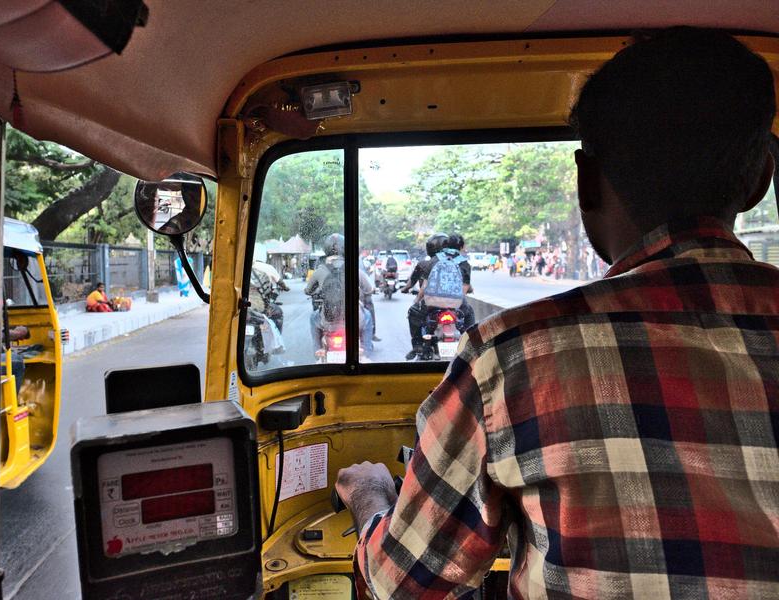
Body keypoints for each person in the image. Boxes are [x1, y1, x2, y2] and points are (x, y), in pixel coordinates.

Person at [336, 28, 779, 598]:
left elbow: (398, 585)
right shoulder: (483, 318)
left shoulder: (508, 357)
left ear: (585, 181)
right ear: (760, 180)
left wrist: (372, 494)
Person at [305, 233, 374, 355]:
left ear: (326, 249)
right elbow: (369, 289)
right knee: (367, 316)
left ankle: (318, 350)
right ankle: (365, 350)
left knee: (312, 318)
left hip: (327, 322)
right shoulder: (354, 269)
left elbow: (308, 291)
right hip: (355, 320)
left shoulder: (320, 270)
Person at [402, 232, 447, 359]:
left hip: (433, 302)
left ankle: (417, 346)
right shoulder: (458, 262)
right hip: (455, 303)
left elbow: (422, 286)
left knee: (413, 311)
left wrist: (412, 296)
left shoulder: (425, 264)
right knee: (468, 314)